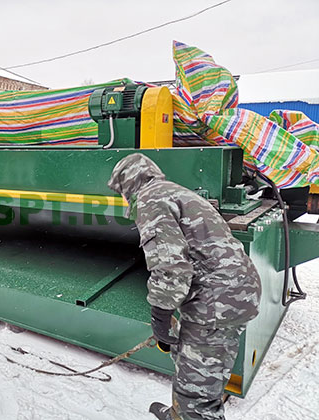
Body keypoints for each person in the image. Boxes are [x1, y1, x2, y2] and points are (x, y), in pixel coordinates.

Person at [108, 154, 261, 420]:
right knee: (193, 363)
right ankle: (179, 413)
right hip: (234, 291)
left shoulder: (150, 200)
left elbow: (170, 265)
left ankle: (190, 413)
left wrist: (160, 314)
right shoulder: (174, 191)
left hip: (217, 300)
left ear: (128, 183)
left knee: (198, 393)